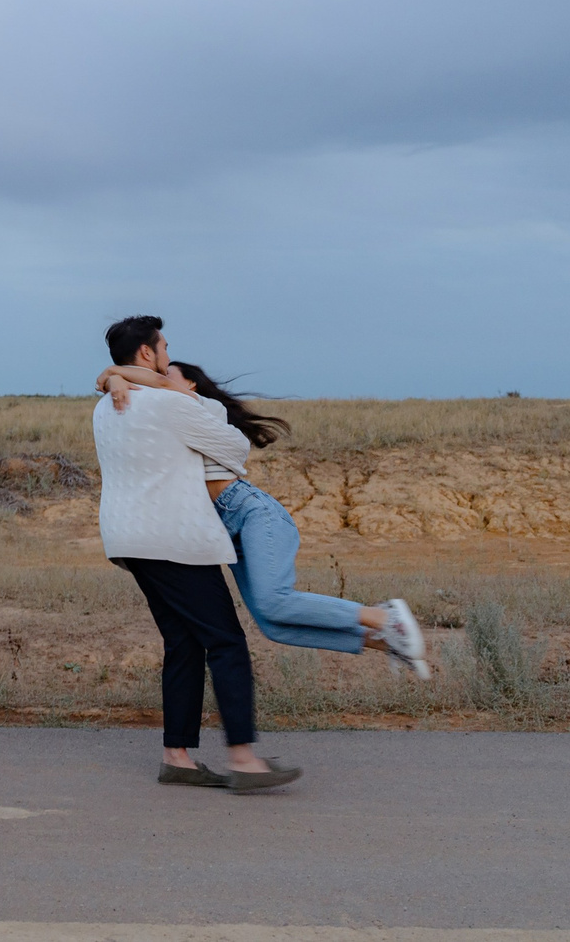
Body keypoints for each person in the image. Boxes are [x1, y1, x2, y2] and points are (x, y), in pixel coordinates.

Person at [98, 346, 429, 677]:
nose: (158, 381)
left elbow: (157, 384)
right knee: (274, 626)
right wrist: (116, 381)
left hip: (251, 511)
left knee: (276, 601)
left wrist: (113, 374)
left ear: (191, 386)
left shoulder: (197, 405)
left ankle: (385, 617)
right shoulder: (167, 415)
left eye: (166, 375)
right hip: (226, 528)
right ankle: (384, 640)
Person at [90, 314, 298, 792]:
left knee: (183, 642)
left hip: (128, 541)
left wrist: (116, 376)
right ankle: (244, 759)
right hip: (175, 539)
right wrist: (188, 395)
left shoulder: (105, 406)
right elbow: (234, 448)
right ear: (147, 353)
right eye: (162, 349)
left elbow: (118, 387)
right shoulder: (170, 404)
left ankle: (177, 757)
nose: (167, 356)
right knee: (225, 642)